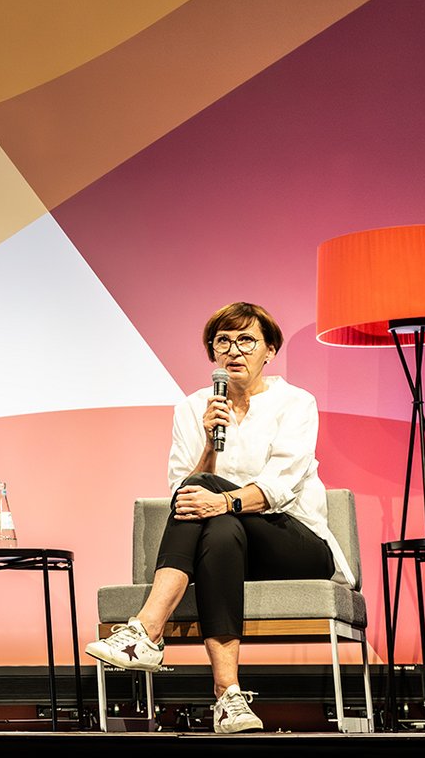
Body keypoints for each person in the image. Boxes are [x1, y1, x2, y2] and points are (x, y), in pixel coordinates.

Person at [85, 302, 355, 734]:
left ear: (269, 350)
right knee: (220, 528)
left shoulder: (296, 403)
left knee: (209, 495)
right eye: (223, 341)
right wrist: (210, 444)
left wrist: (221, 500)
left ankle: (147, 628)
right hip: (228, 547)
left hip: (296, 543)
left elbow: (279, 487)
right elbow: (182, 493)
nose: (234, 350)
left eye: (246, 340)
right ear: (213, 353)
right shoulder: (194, 408)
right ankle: (228, 696)